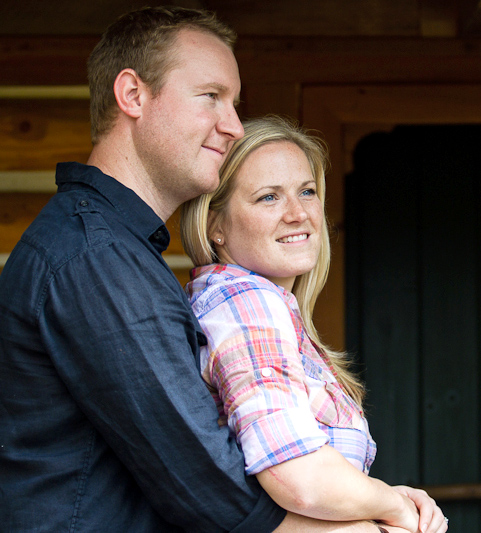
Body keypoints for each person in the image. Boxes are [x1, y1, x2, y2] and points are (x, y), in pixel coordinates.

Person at [0, 6, 415, 533]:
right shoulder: (96, 258)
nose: (233, 125)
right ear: (133, 96)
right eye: (211, 97)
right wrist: (376, 521)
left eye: (235, 103)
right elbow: (202, 479)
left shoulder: (119, 251)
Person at [179, 116, 448, 533]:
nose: (298, 213)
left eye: (307, 192)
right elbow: (298, 476)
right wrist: (390, 507)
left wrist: (374, 498)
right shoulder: (248, 302)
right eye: (269, 197)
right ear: (215, 225)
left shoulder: (264, 307)